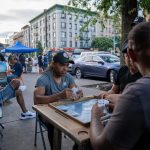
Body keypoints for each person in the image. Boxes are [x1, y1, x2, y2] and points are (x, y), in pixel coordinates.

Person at [90, 22, 150, 150]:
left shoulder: (136, 92)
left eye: (129, 55)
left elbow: (102, 147)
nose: (128, 59)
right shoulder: (123, 72)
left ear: (132, 54)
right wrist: (111, 96)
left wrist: (95, 115)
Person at [34, 51, 83, 149]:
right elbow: (37, 100)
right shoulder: (44, 78)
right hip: (47, 114)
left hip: (64, 110)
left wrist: (78, 93)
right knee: (54, 125)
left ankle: (78, 147)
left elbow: (76, 91)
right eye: (61, 65)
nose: (65, 68)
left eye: (67, 65)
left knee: (81, 116)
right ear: (53, 64)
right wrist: (58, 96)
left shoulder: (67, 76)